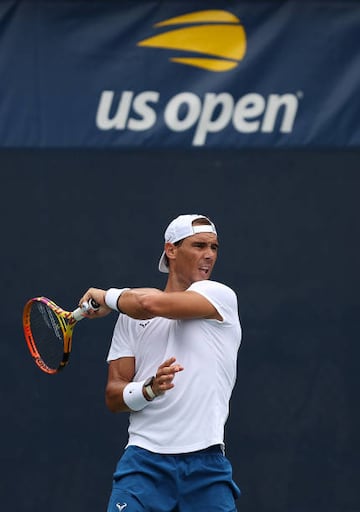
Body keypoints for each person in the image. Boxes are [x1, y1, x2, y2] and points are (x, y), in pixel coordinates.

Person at [79, 214, 242, 512]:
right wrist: (149, 389)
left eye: (214, 247)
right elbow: (114, 396)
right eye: (199, 245)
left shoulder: (219, 297)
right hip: (143, 464)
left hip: (206, 465)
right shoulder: (128, 318)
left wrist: (106, 297)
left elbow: (148, 304)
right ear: (171, 250)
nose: (209, 255)